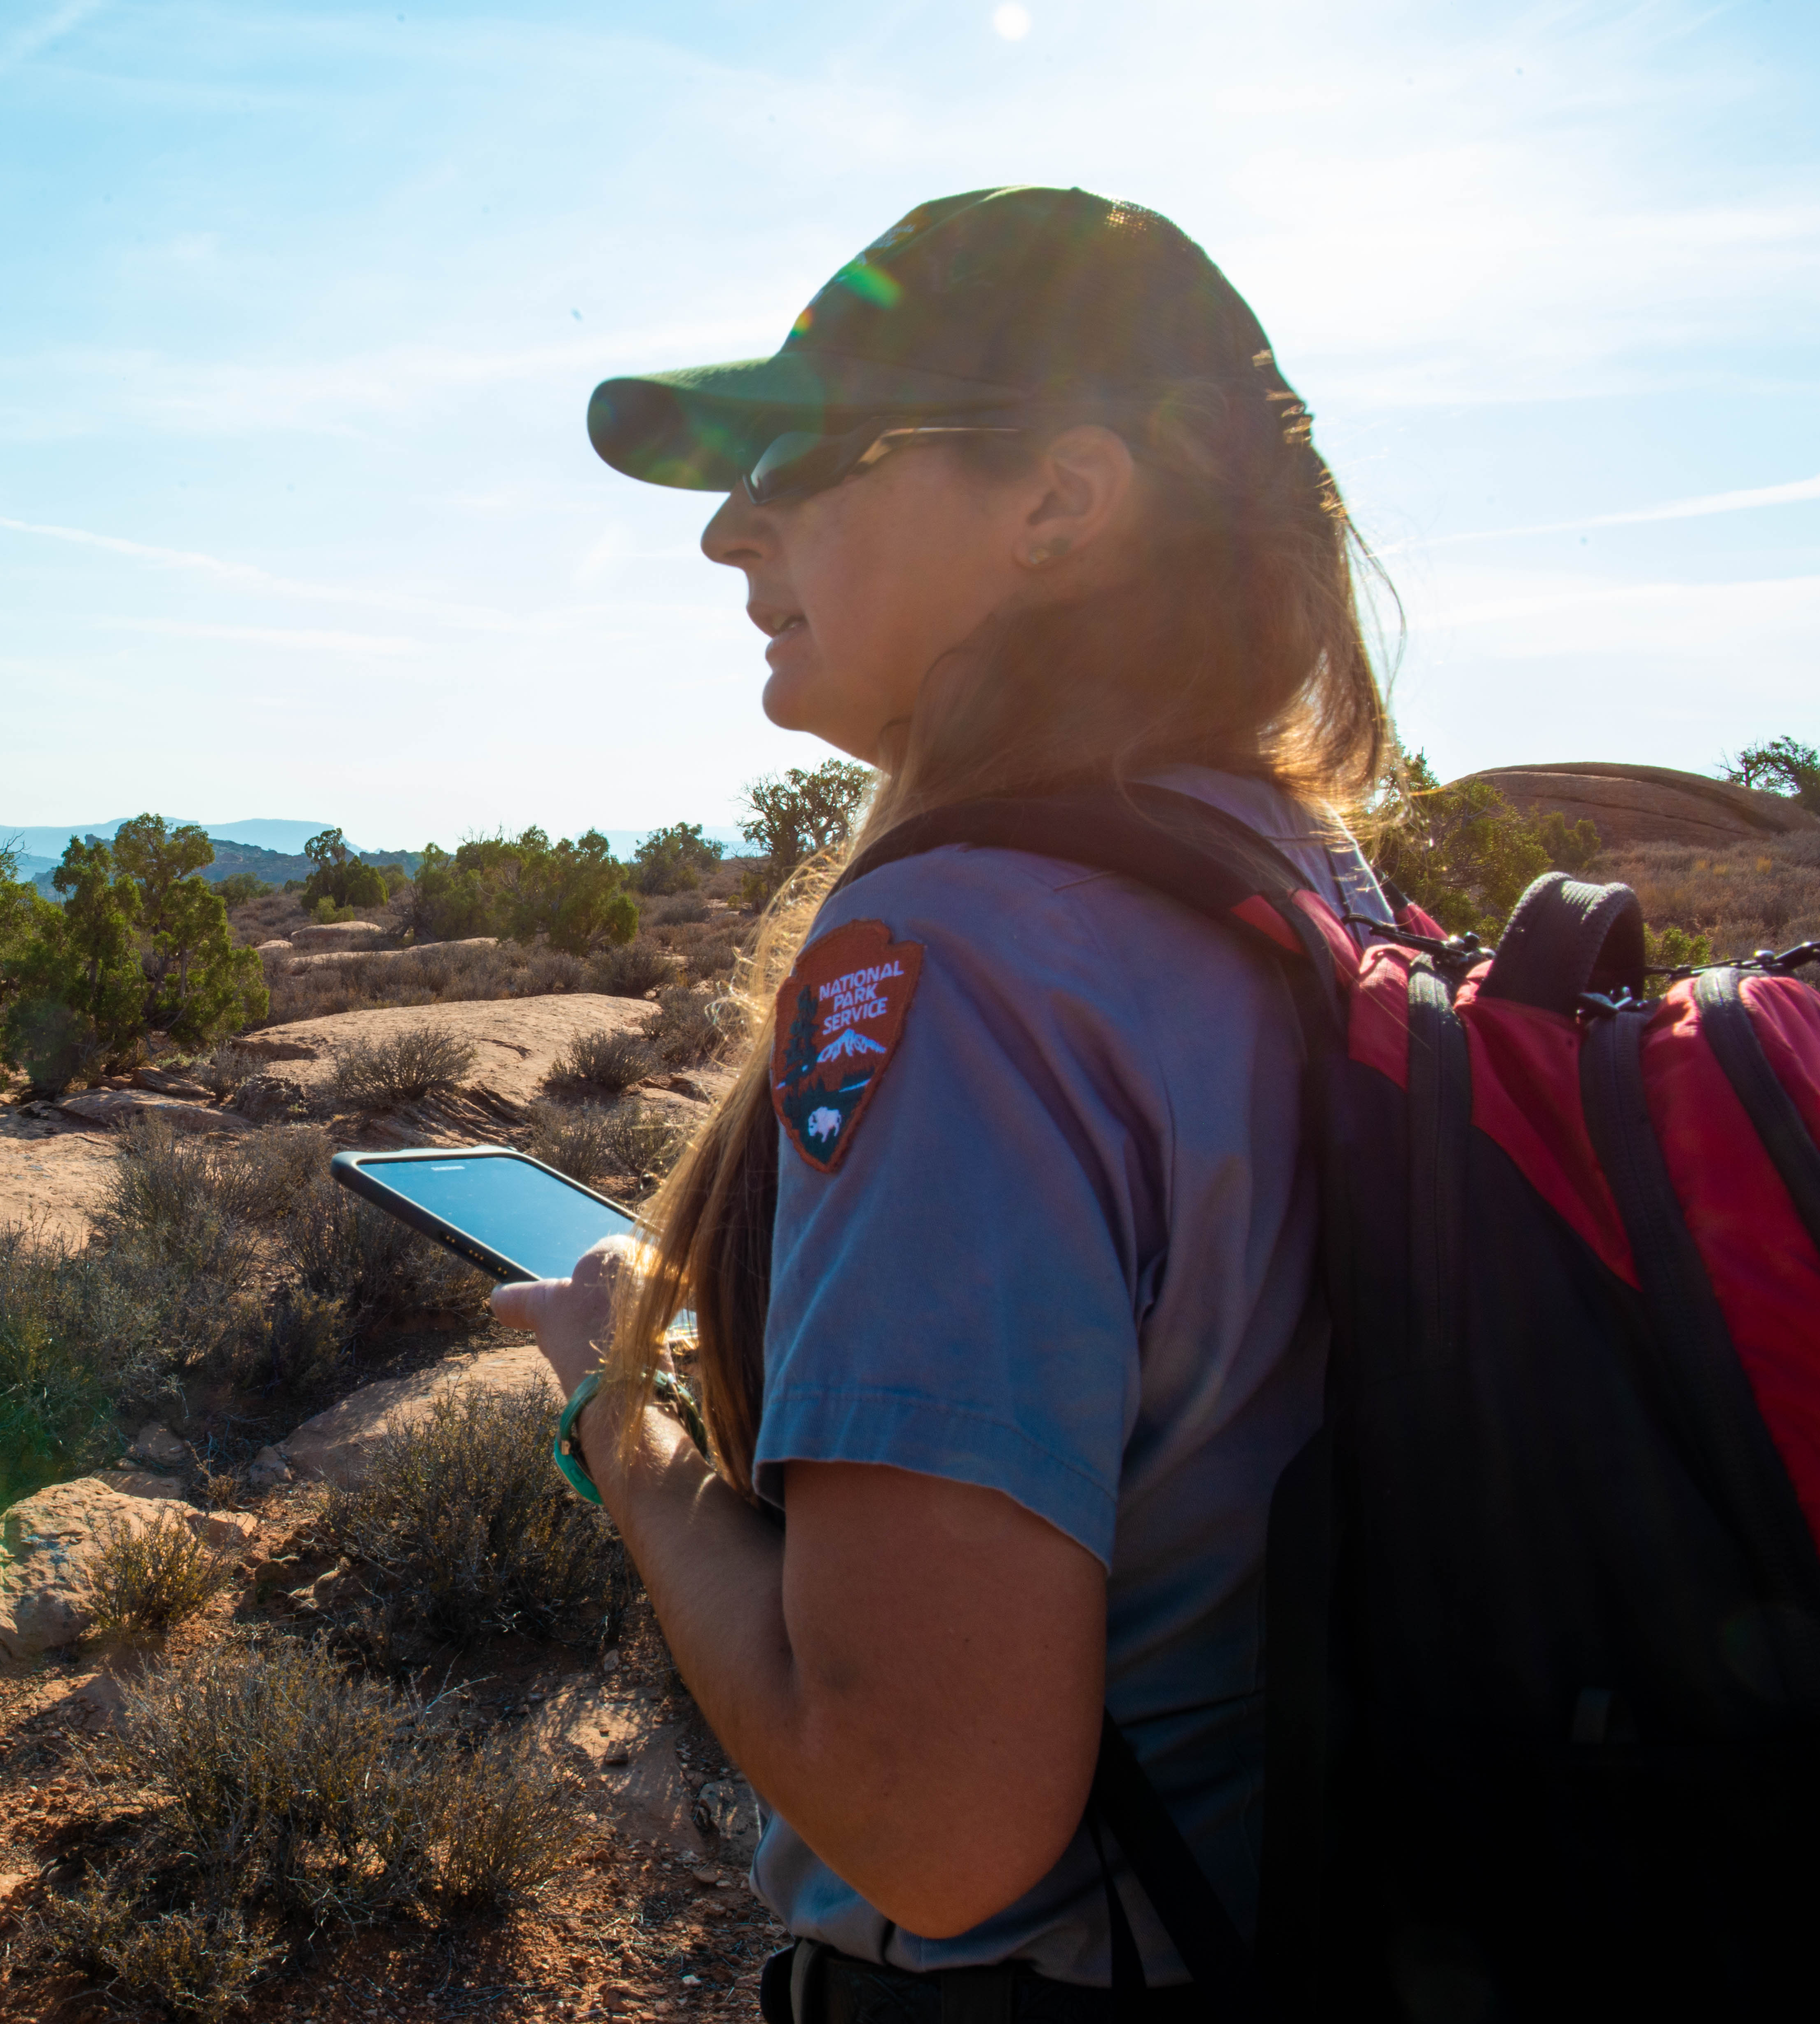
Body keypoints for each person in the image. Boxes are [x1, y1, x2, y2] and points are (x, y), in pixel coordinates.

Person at [493, 186, 1392, 2019]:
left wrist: (631, 1443)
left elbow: (933, 1819)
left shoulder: (956, 962)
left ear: (1060, 502)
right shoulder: (1296, 883)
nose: (731, 532)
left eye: (804, 456)